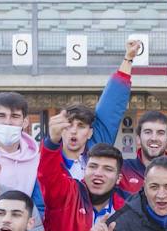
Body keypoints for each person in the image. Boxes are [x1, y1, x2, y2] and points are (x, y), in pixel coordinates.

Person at [38, 117, 128, 231]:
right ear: (84, 170)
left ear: (118, 178)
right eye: (93, 166)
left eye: (107, 169)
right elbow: (47, 175)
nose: (98, 173)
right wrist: (52, 142)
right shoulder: (67, 193)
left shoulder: (126, 208)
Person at [51, 41, 139, 185]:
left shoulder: (97, 147)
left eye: (80, 126)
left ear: (90, 132)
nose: (73, 131)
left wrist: (128, 58)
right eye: (68, 126)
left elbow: (112, 102)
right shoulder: (50, 160)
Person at [119, 110, 167, 193]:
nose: (154, 138)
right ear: (138, 138)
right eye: (148, 132)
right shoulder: (122, 169)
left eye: (160, 133)